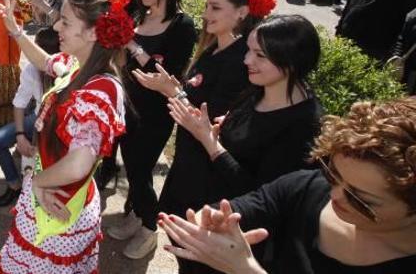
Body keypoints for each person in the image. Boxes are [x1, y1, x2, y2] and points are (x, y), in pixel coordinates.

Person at [159, 97, 416, 273]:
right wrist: (211, 223)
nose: (335, 195)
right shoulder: (307, 187)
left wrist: (245, 270)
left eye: (361, 200)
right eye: (333, 173)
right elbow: (247, 207)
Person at [164, 14, 323, 273]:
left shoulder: (304, 125)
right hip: (210, 215)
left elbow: (267, 197)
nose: (247, 60)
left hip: (238, 241)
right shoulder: (258, 89)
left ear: (291, 61)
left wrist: (210, 143)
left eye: (260, 55)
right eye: (249, 50)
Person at [0, 0, 129, 273]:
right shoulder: (79, 65)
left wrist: (39, 181)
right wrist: (15, 31)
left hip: (60, 209)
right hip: (54, 196)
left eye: (66, 21)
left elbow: (79, 163)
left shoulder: (101, 91)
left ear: (93, 32)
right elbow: (45, 62)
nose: (56, 26)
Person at [133, 0, 275, 247]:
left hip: (205, 173)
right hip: (188, 160)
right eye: (207, 6)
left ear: (242, 12)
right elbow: (196, 95)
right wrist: (174, 87)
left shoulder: (241, 60)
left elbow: (211, 121)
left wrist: (172, 92)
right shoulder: (214, 48)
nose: (206, 13)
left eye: (215, 8)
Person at [106, 0, 198, 259]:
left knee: (140, 169)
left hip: (157, 112)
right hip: (128, 104)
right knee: (131, 167)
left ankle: (149, 226)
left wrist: (132, 44)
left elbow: (168, 72)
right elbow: (124, 64)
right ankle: (135, 216)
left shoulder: (182, 25)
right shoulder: (138, 15)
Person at [0, 28, 60, 207]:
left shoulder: (70, 71)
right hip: (37, 119)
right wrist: (20, 135)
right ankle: (14, 185)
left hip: (62, 125)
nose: (31, 55)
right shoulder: (30, 70)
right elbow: (19, 103)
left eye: (36, 49)